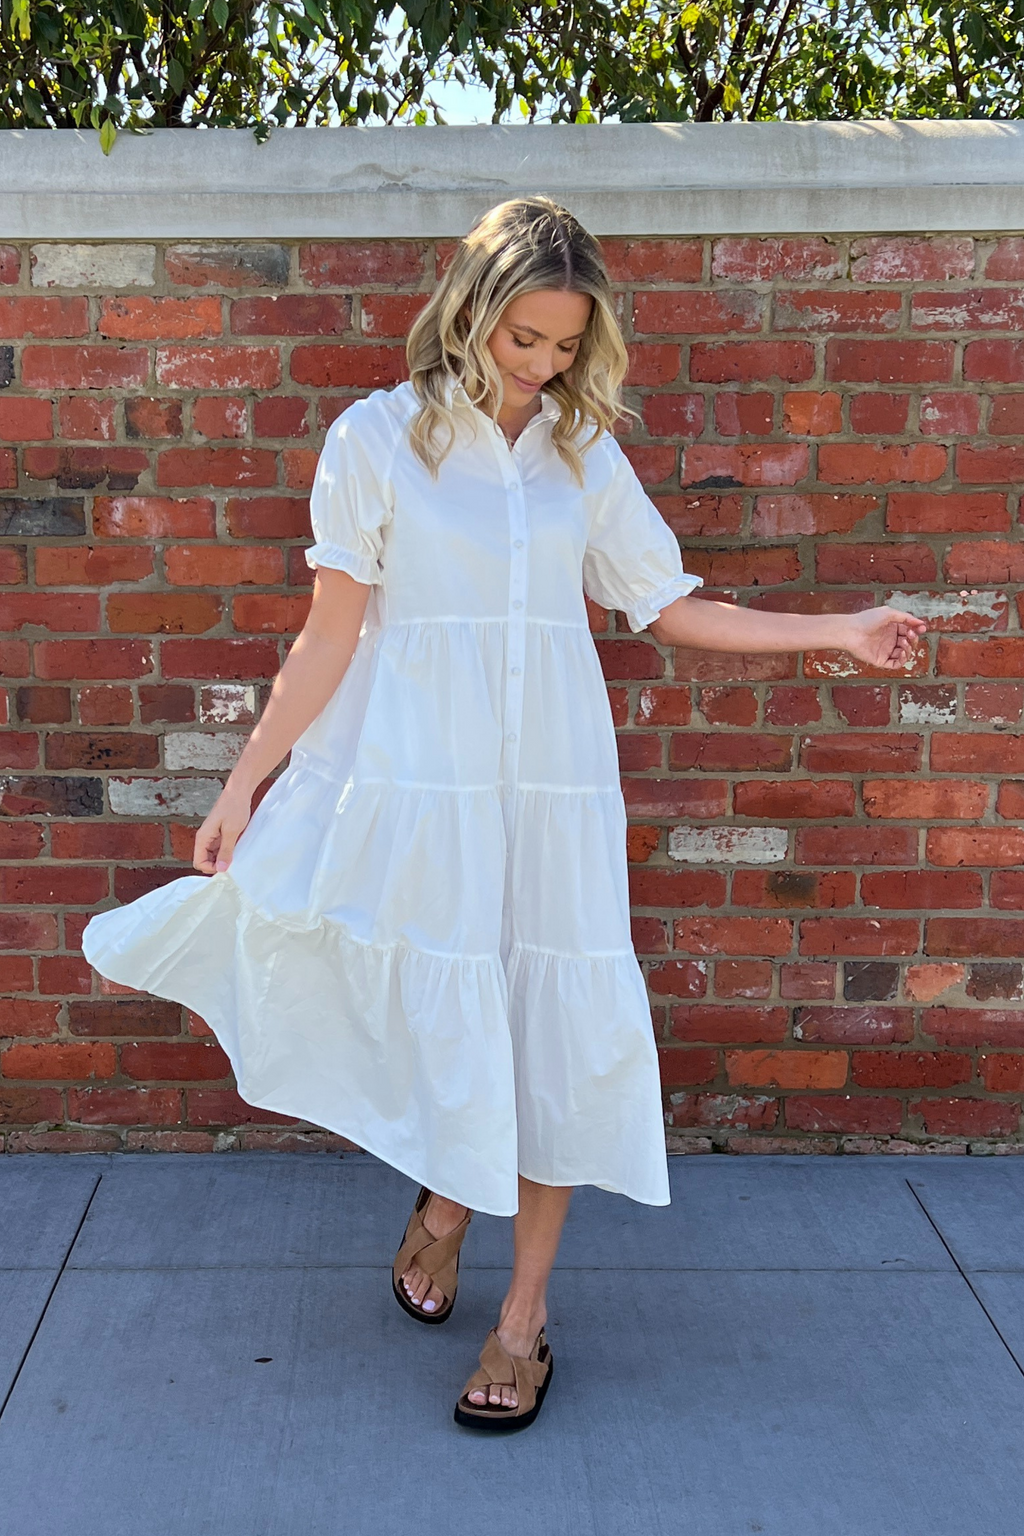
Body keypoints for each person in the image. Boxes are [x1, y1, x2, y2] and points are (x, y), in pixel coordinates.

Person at [82, 195, 928, 1433]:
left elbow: (666, 605)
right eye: (522, 337)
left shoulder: (582, 453)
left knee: (554, 1025)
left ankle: (523, 1317)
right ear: (468, 312)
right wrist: (244, 782)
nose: (541, 365)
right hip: (423, 781)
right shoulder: (378, 439)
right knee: (448, 997)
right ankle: (445, 1198)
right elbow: (329, 635)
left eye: (566, 345)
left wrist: (837, 631)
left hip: (555, 784)